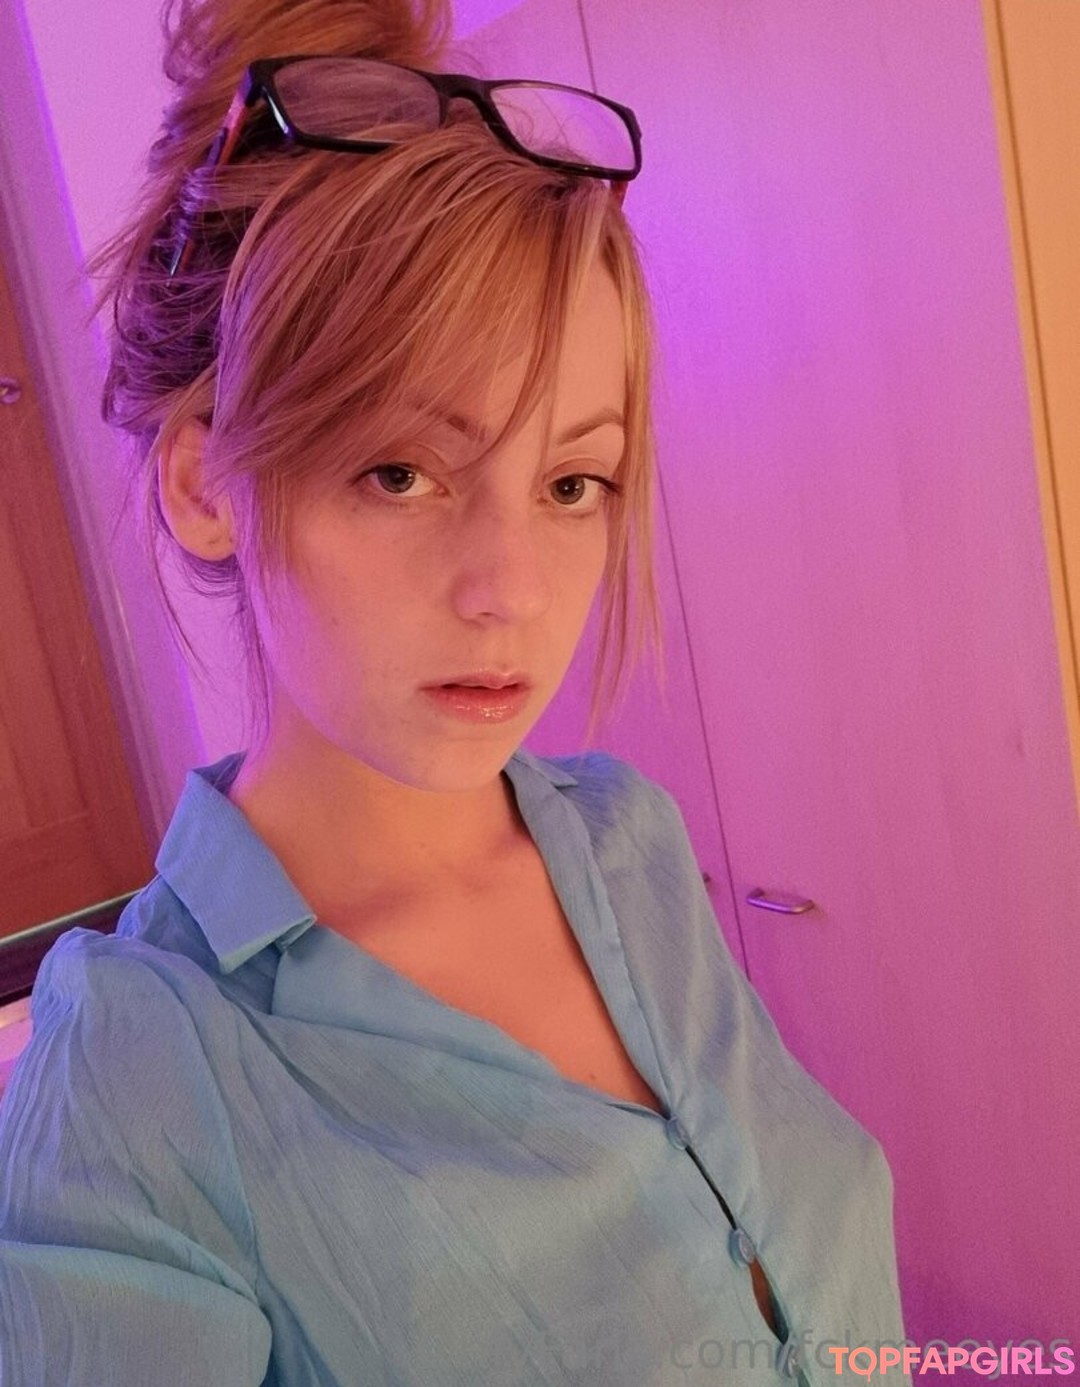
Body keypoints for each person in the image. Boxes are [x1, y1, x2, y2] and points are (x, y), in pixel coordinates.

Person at [0, 0, 910, 1382]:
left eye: (572, 482)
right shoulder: (137, 1085)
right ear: (206, 483)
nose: (513, 589)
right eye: (403, 473)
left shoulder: (628, 844)